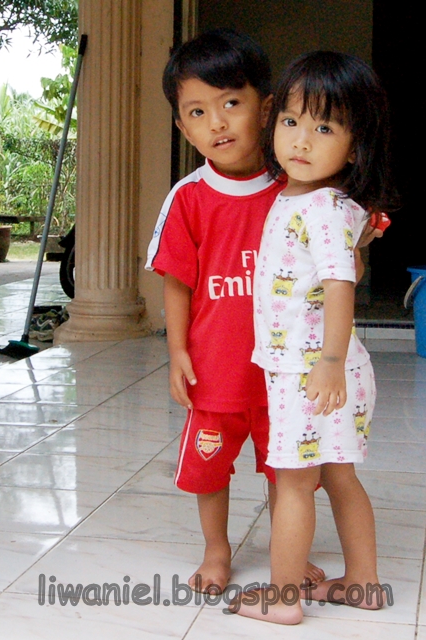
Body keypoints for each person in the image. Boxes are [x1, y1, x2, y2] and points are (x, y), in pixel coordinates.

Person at [145, 30, 326, 594]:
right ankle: (216, 550)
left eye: (231, 103)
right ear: (183, 126)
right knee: (209, 469)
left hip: (285, 371)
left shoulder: (297, 189)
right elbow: (178, 282)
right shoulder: (188, 197)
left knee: (286, 469)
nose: (217, 123)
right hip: (216, 369)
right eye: (198, 112)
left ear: (265, 109)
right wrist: (178, 351)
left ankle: (285, 551)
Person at [233, 51, 398, 624]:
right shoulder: (314, 199)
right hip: (325, 369)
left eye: (324, 128)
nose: (301, 139)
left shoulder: (322, 207)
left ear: (354, 148)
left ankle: (283, 600)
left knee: (295, 485)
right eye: (291, 121)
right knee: (339, 477)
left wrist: (327, 360)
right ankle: (364, 583)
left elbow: (340, 284)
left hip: (311, 373)